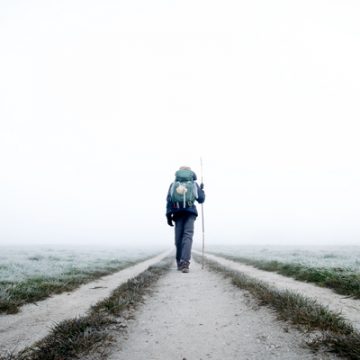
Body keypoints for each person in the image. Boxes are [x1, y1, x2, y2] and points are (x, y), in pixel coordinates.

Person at [166, 166, 205, 273]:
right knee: (187, 236)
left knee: (178, 238)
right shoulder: (193, 184)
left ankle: (179, 262)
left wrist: (168, 216)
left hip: (177, 214)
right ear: (190, 172)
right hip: (190, 213)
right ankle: (185, 263)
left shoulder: (173, 185)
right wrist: (201, 189)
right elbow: (201, 199)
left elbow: (169, 201)